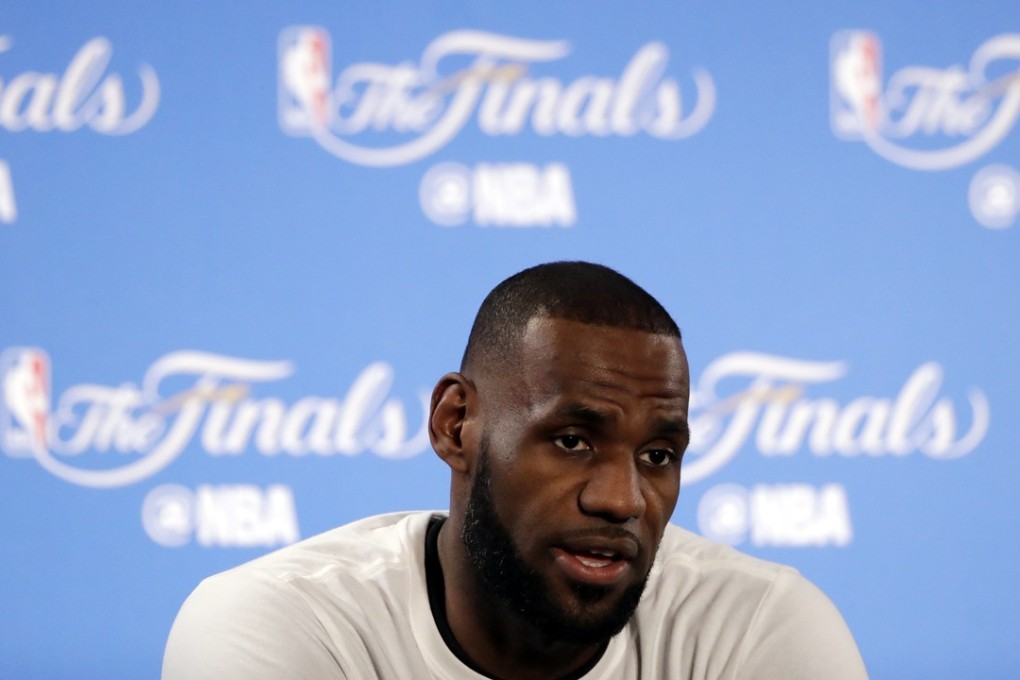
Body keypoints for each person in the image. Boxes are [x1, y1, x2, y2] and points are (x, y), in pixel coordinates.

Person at [163, 261, 868, 679]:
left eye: (658, 456)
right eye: (571, 440)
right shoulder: (277, 625)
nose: (623, 500)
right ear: (455, 425)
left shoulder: (758, 631)